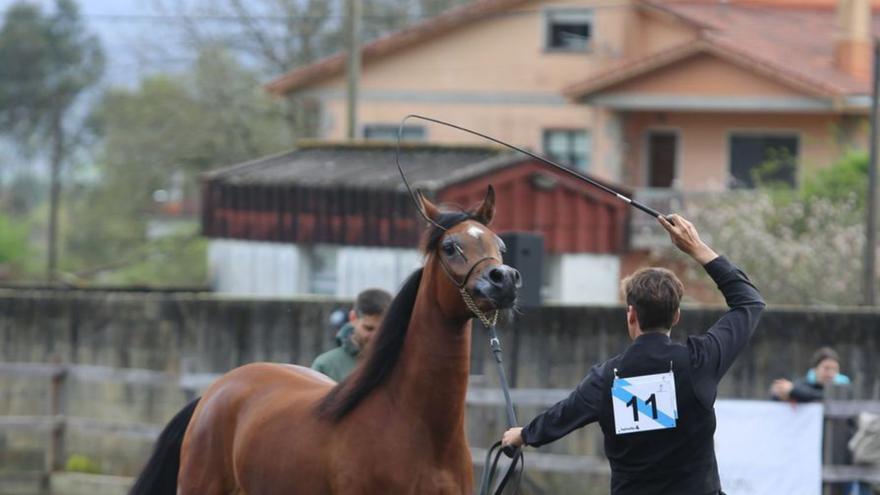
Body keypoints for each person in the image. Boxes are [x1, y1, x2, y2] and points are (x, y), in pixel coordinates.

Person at [501, 214, 766, 495]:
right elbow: (750, 302)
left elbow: (563, 416)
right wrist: (698, 248)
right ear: (676, 315)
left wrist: (523, 435)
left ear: (631, 315)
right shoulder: (700, 361)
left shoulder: (605, 379)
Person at [311, 288, 392, 382]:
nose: (376, 336)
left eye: (383, 330)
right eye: (369, 328)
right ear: (353, 318)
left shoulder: (401, 364)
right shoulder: (325, 365)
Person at [770, 347, 851, 403]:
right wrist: (781, 392)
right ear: (815, 369)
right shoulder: (803, 384)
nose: (830, 373)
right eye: (826, 368)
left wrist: (793, 391)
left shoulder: (844, 387)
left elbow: (826, 397)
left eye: (834, 369)